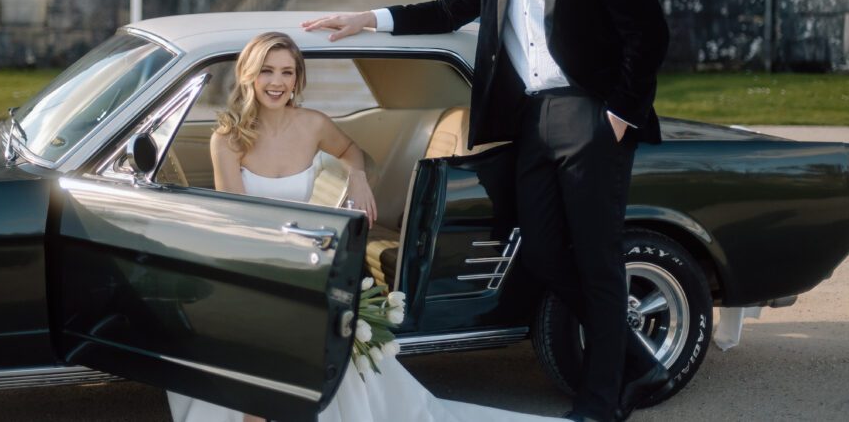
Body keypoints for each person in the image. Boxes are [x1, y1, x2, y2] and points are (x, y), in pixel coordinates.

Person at [302, 0, 672, 422]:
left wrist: (618, 119)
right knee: (545, 256)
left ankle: (603, 399)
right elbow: (452, 7)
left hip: (590, 118)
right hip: (528, 121)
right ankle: (636, 356)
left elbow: (646, 34)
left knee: (598, 258)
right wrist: (368, 19)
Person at [168, 31, 568, 422]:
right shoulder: (228, 138)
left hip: (306, 259)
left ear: (297, 80)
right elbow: (239, 223)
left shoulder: (313, 124)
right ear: (249, 75)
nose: (276, 82)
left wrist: (356, 177)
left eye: (287, 73)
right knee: (252, 350)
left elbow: (350, 150)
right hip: (255, 261)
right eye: (267, 71)